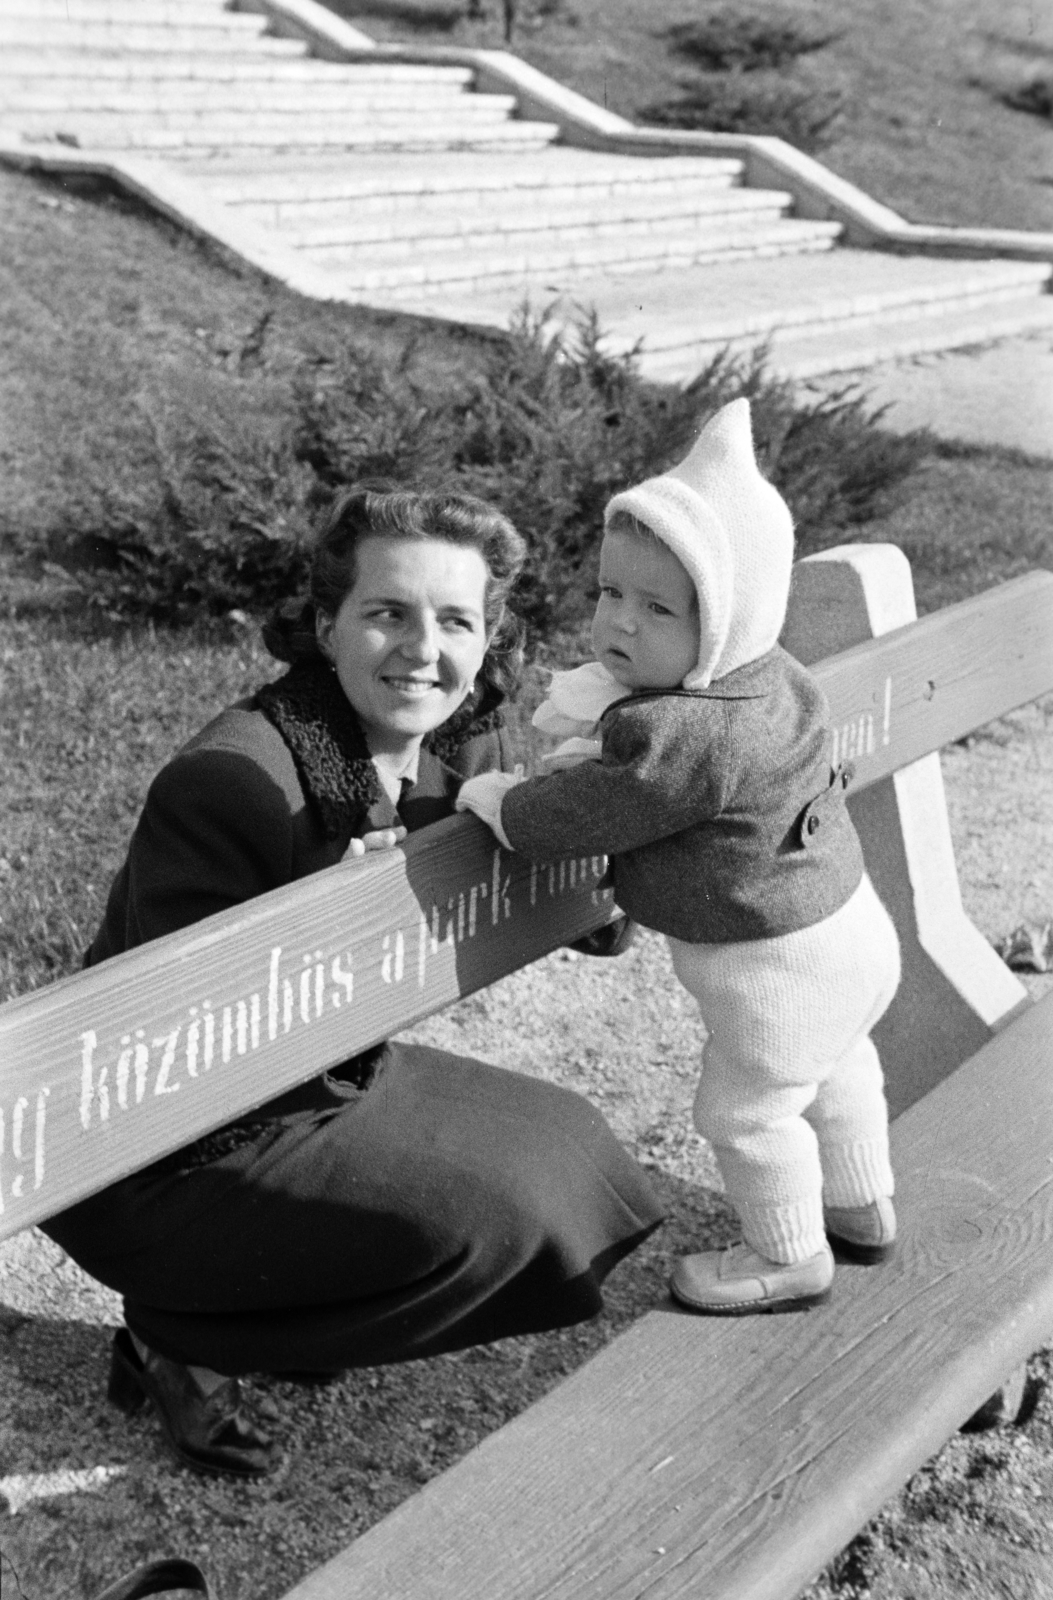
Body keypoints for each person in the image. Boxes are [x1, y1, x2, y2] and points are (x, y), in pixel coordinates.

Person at [43, 487, 663, 1478]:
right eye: (388, 613)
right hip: (157, 1148)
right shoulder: (231, 782)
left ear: (487, 633)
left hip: (320, 1077)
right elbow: (161, 1050)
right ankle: (182, 1335)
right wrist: (317, 937)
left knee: (584, 1167)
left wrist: (604, 879)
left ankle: (269, 1302)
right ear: (325, 623)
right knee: (506, 1216)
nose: (422, 648)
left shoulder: (465, 731)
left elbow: (546, 873)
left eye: (455, 620)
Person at [457, 399, 902, 1316]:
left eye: (658, 607)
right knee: (842, 1062)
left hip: (772, 962)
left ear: (730, 616)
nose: (619, 623)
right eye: (609, 593)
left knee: (747, 1112)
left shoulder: (688, 734)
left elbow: (592, 808)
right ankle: (860, 1204)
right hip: (852, 929)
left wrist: (505, 804)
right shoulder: (773, 677)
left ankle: (787, 1257)